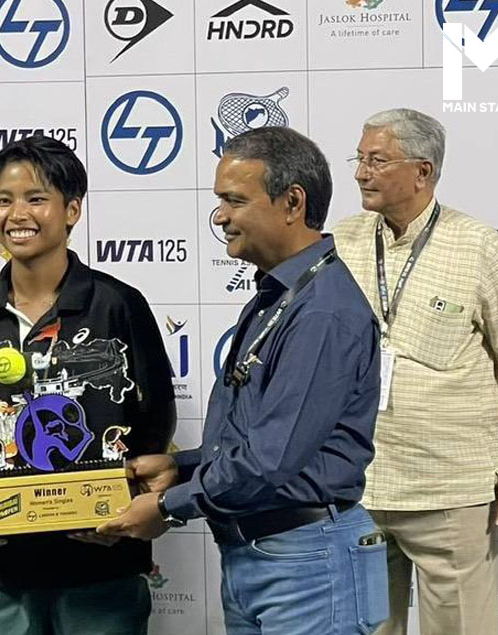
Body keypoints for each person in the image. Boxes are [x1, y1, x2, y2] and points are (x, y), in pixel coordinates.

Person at [99, 126, 388, 635]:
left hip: (307, 564)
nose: (220, 216)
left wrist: (167, 506)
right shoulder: (281, 295)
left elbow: (270, 459)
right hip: (262, 556)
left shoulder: (322, 313)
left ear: (292, 203)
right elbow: (258, 439)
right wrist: (180, 466)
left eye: (234, 200)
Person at [0, 134, 176, 635]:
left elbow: (155, 420)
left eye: (36, 198)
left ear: (72, 210)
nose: (17, 214)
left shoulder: (118, 305)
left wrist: (127, 500)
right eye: (4, 200)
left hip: (101, 560)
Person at [332, 108, 498, 635]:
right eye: (359, 158)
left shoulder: (482, 247)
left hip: (449, 490)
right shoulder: (342, 241)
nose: (360, 173)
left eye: (376, 161)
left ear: (422, 171)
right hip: (357, 488)